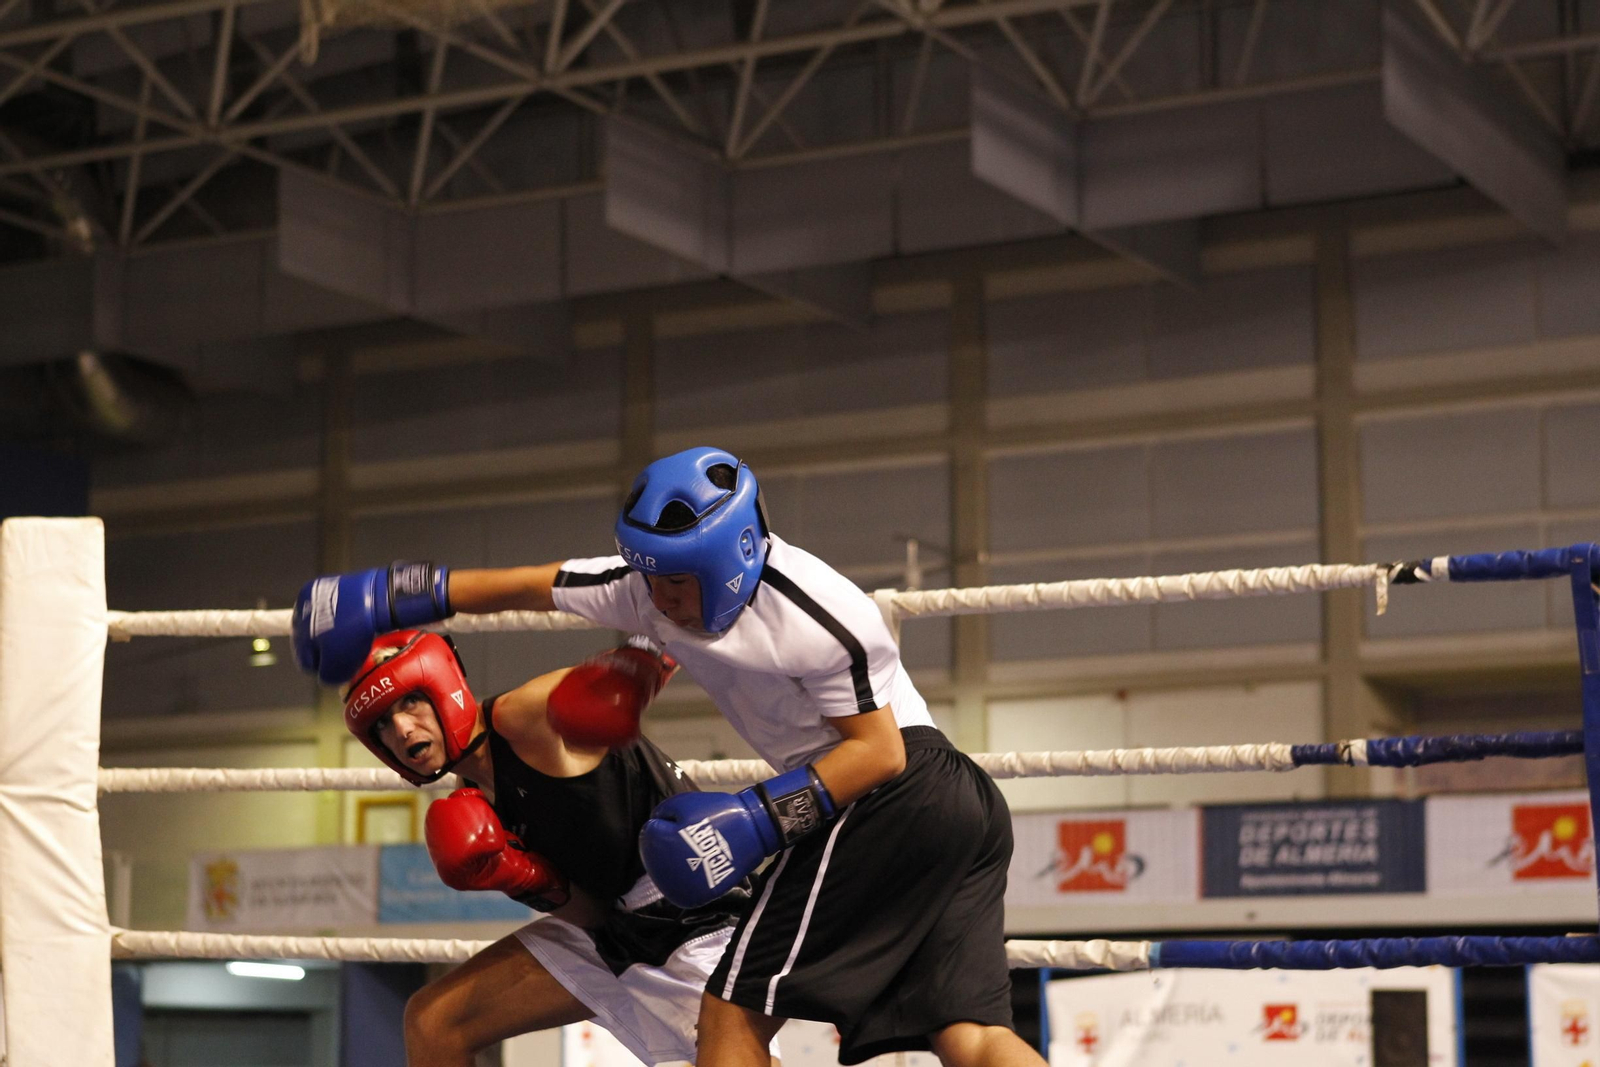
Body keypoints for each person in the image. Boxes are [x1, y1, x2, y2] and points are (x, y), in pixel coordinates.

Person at [294, 446, 1043, 1067]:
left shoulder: (818, 612)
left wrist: (755, 817)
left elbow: (879, 754)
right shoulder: (644, 595)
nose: (663, 597)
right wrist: (393, 595)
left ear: (733, 557)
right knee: (971, 1036)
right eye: (649, 574)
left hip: (892, 787)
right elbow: (529, 585)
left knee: (731, 1018)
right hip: (953, 808)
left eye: (677, 579)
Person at [330, 625, 777, 1067]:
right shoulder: (474, 793)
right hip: (608, 930)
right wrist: (526, 881)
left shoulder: (522, 717)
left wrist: (640, 662)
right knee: (434, 1022)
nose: (403, 729)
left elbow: (615, 678)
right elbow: (592, 915)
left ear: (440, 685)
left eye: (409, 701)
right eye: (383, 723)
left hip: (696, 916)